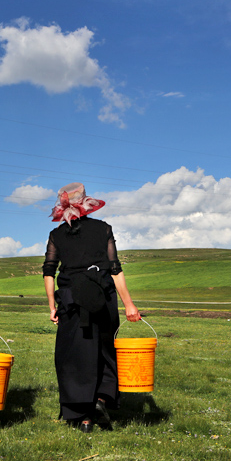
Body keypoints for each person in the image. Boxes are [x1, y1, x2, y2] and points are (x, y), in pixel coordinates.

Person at [42, 182, 140, 433]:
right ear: (87, 204)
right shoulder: (103, 229)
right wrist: (129, 305)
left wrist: (52, 305)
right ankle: (101, 398)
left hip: (70, 298)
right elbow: (115, 268)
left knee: (74, 355)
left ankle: (82, 416)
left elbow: (49, 271)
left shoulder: (57, 235)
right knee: (105, 350)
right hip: (102, 296)